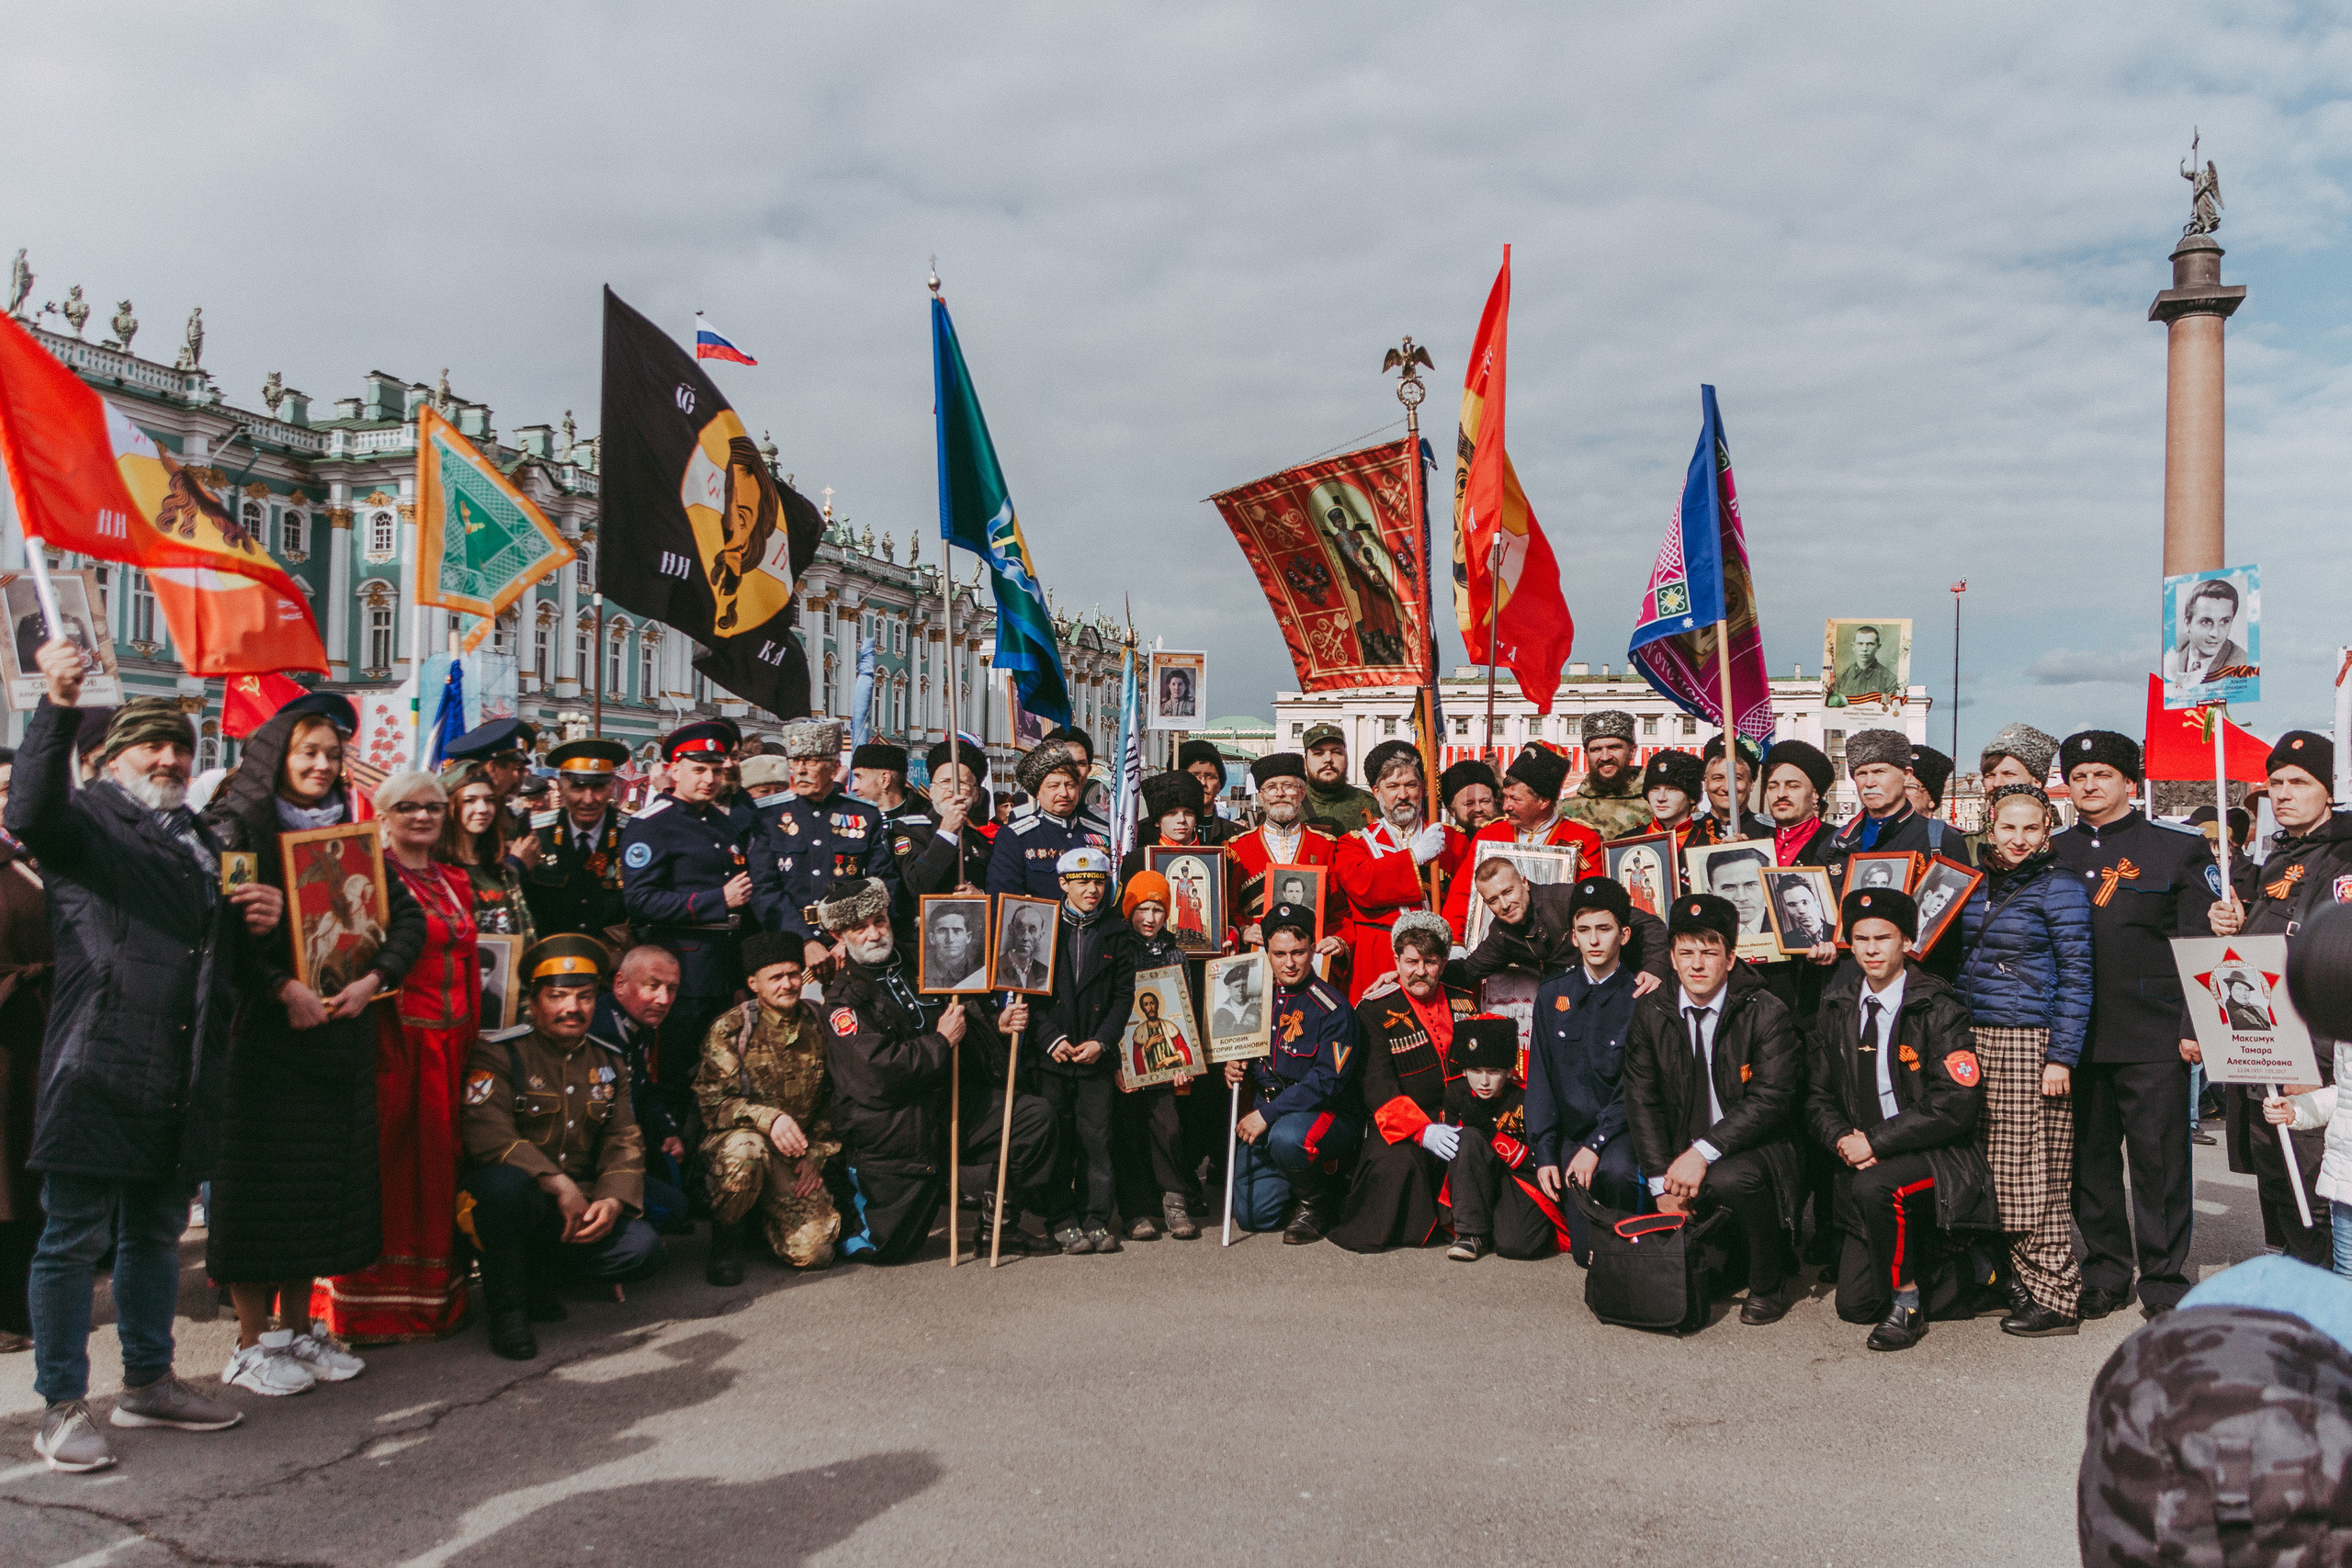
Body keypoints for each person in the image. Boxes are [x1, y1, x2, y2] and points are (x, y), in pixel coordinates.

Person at [13, 653, 283, 1473]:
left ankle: (149, 1381)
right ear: (109, 758)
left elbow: (213, 952)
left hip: (181, 1067)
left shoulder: (199, 835)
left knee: (157, 1235)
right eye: (150, 747)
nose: (169, 759)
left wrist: (259, 918)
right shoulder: (86, 820)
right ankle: (60, 1405)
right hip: (101, 1061)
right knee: (72, 1238)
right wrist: (59, 704)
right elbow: (31, 809)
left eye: (180, 748)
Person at [201, 694, 424, 1397]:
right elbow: (226, 935)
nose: (324, 765)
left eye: (332, 753)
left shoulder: (352, 835)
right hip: (268, 1041)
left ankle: (298, 1329)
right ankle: (249, 1341)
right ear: (278, 756)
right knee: (258, 1190)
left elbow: (406, 919)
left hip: (339, 1033)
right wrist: (278, 988)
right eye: (309, 752)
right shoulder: (240, 832)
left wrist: (374, 982)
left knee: (316, 1190)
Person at [2052, 728, 2215, 1318]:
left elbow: (2199, 944)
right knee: (2088, 1164)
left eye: (2102, 774)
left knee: (2160, 1164)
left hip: (2154, 1031)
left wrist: (2197, 1025)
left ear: (2130, 782)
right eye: (2078, 776)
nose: (2089, 785)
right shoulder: (2052, 852)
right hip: (2076, 1035)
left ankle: (2164, 1280)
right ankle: (2105, 1271)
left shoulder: (2178, 848)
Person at [315, 770, 479, 1346]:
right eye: (407, 807)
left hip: (451, 1045)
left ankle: (429, 1299)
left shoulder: (455, 878)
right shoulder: (368, 879)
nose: (423, 816)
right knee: (389, 1167)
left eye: (434, 807)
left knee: (437, 1167)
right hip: (395, 1044)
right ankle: (365, 1307)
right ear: (381, 816)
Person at [820, 878, 1058, 1260]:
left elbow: (966, 1012)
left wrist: (995, 1024)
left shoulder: (922, 961)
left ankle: (999, 1229)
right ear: (838, 934)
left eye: (879, 920)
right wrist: (941, 1041)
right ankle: (851, 1194)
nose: (874, 933)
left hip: (951, 1103)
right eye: (859, 928)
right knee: (888, 1250)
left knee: (1032, 1118)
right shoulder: (844, 1000)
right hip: (897, 1126)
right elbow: (877, 1073)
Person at [1807, 887, 1998, 1349]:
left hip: (1934, 1155)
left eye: (1884, 937)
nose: (1872, 949)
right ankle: (1975, 1271)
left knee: (1878, 1187)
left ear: (1907, 942)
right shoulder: (1836, 1006)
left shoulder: (1938, 1007)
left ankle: (1908, 1299)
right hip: (1863, 1155)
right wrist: (1843, 1142)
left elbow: (1955, 1103)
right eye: (1861, 938)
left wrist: (1876, 1142)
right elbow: (1815, 1095)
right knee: (1853, 1306)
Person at [459, 935, 662, 1360]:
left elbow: (623, 1138)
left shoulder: (609, 1060)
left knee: (640, 1248)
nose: (573, 1008)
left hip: (575, 1207)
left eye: (585, 997)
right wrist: (557, 1182)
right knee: (502, 1191)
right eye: (558, 996)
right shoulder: (500, 1053)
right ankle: (509, 1312)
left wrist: (611, 1199)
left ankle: (540, 1275)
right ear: (533, 1003)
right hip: (524, 1200)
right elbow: (487, 1134)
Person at [1621, 893, 1803, 1325]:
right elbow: (1642, 1098)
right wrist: (1660, 1183)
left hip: (1757, 1147)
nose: (1696, 965)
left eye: (1709, 952)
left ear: (1732, 957)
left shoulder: (1766, 1011)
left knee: (1731, 1177)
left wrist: (1701, 1152)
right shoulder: (1651, 1012)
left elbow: (1771, 1099)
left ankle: (1769, 1280)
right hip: (1686, 1150)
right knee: (1708, 1281)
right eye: (1685, 952)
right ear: (1671, 956)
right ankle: (1737, 1251)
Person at [1953, 784, 2093, 1337]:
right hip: (1974, 1034)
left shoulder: (2060, 886)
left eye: (2030, 828)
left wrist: (2060, 1056)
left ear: (2047, 831)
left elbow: (2079, 977)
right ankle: (2009, 1281)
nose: (2018, 839)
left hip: (2028, 1040)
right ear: (1990, 828)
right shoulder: (1973, 880)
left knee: (2032, 1171)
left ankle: (2057, 1296)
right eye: (2008, 828)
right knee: (1987, 1167)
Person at [2209, 730, 2349, 1269]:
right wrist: (2234, 924)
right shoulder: (2277, 858)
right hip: (2263, 1035)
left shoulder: (2343, 855)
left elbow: (2333, 960)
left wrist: (2315, 1058)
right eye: (2275, 784)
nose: (2283, 793)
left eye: (2299, 782)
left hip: (2312, 1048)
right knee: (2278, 1180)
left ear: (2330, 791)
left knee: (2312, 1183)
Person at [620, 719, 778, 1131]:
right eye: (698, 769)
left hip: (724, 969)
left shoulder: (722, 822)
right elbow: (639, 899)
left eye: (716, 769)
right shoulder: (652, 823)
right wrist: (716, 900)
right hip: (680, 973)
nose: (710, 779)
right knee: (675, 1075)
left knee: (722, 1075)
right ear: (674, 770)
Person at [695, 931, 839, 1284]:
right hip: (742, 1144)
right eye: (775, 977)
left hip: (794, 1156)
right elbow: (713, 1104)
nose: (788, 984)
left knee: (816, 1253)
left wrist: (815, 1155)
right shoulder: (732, 1029)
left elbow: (835, 1101)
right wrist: (766, 1117)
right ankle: (727, 1239)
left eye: (793, 974)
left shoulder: (819, 1024)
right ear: (753, 983)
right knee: (747, 1151)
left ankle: (766, 1219)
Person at [1329, 912, 1476, 1254]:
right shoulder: (1374, 1009)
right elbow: (1377, 1085)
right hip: (1402, 1121)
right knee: (1396, 1165)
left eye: (1430, 962)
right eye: (1411, 962)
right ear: (1396, 961)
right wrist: (1423, 1130)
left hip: (1460, 1116)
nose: (1420, 971)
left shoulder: (1462, 997)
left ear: (1443, 963)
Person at [1224, 904, 1363, 1243]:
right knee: (1254, 1216)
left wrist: (1266, 1116)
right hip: (1269, 1112)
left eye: (1298, 953)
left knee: (1287, 1137)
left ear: (1312, 950)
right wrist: (1232, 1066)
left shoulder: (1332, 1008)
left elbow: (1325, 1083)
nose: (1289, 963)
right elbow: (1247, 1054)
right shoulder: (1256, 999)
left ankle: (1317, 1203)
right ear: (1267, 953)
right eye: (1280, 953)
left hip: (1322, 1113)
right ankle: (1306, 1181)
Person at [1528, 877, 1650, 1261]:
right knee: (1585, 1255)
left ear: (1624, 935)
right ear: (1573, 937)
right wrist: (1544, 1151)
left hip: (1620, 1133)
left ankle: (1633, 1251)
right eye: (1584, 930)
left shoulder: (1640, 998)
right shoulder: (1552, 994)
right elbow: (1541, 1079)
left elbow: (1635, 1086)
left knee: (1615, 1176)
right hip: (1571, 1135)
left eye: (1604, 929)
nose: (1594, 940)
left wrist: (1595, 1147)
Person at [1030, 845, 1136, 1255]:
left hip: (1095, 1052)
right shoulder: (1040, 925)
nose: (1092, 890)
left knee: (1097, 1138)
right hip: (1053, 1054)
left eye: (1098, 881)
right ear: (1063, 884)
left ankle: (1095, 1217)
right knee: (1057, 1138)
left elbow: (1124, 995)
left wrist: (1103, 1041)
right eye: (1082, 882)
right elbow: (1027, 989)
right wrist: (1050, 1038)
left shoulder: (1116, 930)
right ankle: (1061, 1218)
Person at [1114, 870, 1212, 1241]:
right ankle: (1136, 1209)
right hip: (1125, 1059)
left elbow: (1180, 1009)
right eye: (1142, 909)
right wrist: (1116, 1065)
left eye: (1157, 909)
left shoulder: (1175, 952)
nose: (1149, 918)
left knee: (1169, 1128)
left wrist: (1185, 1062)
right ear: (1129, 910)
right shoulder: (1118, 946)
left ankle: (1175, 1203)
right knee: (1129, 1132)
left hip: (1166, 1062)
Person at [1333, 744, 1466, 1001]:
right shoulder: (1354, 843)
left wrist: (1456, 943)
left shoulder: (1451, 840)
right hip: (1376, 957)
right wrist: (1415, 856)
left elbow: (1465, 898)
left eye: (1411, 785)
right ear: (1376, 792)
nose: (1403, 794)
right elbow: (1364, 886)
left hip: (1434, 959)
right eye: (1393, 786)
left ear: (1423, 789)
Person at [758, 718, 891, 968]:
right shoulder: (768, 816)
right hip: (787, 944)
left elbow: (882, 882)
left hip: (850, 945)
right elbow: (763, 888)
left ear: (835, 767)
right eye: (796, 762)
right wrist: (806, 941)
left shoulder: (864, 815)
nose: (801, 770)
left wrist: (848, 937)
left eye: (812, 761)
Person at [1441, 1015, 1566, 1261]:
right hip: (1475, 1174)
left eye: (1494, 1071)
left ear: (1510, 1071)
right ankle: (1471, 1233)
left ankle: (1492, 1225)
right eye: (1475, 1071)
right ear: (1464, 1070)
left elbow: (1537, 1160)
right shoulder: (1456, 1093)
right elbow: (1453, 1158)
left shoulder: (1527, 1096)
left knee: (1518, 1246)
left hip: (1520, 1177)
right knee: (1465, 1138)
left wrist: (1491, 1133)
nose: (1484, 1081)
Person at [0, 747, 51, 1357]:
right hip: (7, 1043)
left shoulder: (40, 858)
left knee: (29, 1177)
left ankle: (26, 1303)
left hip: (43, 1041)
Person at [1442, 743, 1601, 933]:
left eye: (1515, 800)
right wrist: (1456, 942)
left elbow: (1590, 905)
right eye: (1505, 797)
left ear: (1543, 801)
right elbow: (1462, 896)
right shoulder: (1489, 835)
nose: (1506, 806)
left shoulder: (1583, 839)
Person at [1457, 858, 1671, 991]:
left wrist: (1654, 969)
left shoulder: (1567, 899)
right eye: (1493, 900)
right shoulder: (1501, 934)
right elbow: (1468, 971)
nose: (1504, 905)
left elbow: (1649, 924)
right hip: (1567, 1000)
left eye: (1507, 892)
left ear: (1524, 883)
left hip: (1625, 985)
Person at [594, 945, 690, 1233]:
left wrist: (667, 1130)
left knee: (678, 1204)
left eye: (672, 989)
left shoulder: (635, 1025)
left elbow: (642, 1088)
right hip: (595, 1158)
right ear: (620, 983)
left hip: (623, 1143)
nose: (664, 999)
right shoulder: (601, 1030)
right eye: (653, 986)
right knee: (672, 1211)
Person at [1224, 753, 1340, 951]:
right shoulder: (1237, 848)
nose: (1280, 794)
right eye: (1271, 788)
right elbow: (1229, 906)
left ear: (1302, 793)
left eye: (1288, 786)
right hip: (1258, 953)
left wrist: (1336, 939)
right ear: (1261, 796)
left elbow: (1339, 909)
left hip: (1311, 953)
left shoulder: (1325, 846)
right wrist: (1243, 929)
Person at [522, 739, 631, 943]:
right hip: (550, 958)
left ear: (612, 789)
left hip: (612, 960)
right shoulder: (535, 834)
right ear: (561, 790)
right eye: (578, 788)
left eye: (598, 788)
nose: (588, 799)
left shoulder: (632, 834)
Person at [987, 739, 1114, 900]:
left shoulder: (1101, 830)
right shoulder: (1016, 836)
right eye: (1053, 786)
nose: (1064, 793)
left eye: (1070, 785)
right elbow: (1004, 898)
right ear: (1037, 792)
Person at [441, 761, 537, 949]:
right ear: (451, 806)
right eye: (470, 800)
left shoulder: (502, 870)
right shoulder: (438, 870)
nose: (483, 809)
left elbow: (525, 933)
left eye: (489, 799)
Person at [896, 739, 997, 898]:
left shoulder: (980, 842)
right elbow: (916, 885)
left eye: (962, 783)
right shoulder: (909, 830)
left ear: (976, 794)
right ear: (931, 790)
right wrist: (947, 831)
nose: (952, 789)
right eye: (945, 782)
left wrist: (981, 895)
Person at [1561, 710, 1651, 841]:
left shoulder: (1658, 806)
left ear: (1632, 751)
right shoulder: (1563, 812)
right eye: (1596, 749)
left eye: (1614, 747)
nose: (1605, 757)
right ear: (1587, 754)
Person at [2163, 576, 2251, 689]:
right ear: (2188, 623)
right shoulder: (2174, 647)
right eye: (2206, 622)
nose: (2215, 633)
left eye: (2224, 621)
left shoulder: (2241, 666)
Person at [1685, 734, 1771, 847]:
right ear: (1706, 783)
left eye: (1736, 778)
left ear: (1751, 783)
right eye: (1718, 778)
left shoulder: (1769, 833)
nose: (1727, 788)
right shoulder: (1687, 831)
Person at [439, 716, 539, 811]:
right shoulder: (450, 818)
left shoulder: (512, 819)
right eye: (517, 769)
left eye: (522, 770)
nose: (520, 779)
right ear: (492, 769)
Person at [1299, 722, 1377, 837]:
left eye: (1336, 752)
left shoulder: (1370, 805)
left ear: (1346, 758)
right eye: (1318, 753)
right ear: (1305, 762)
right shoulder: (1293, 807)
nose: (1328, 759)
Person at [1701, 845, 1771, 943]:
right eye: (1728, 887)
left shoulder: (1788, 928)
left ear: (1768, 887)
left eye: (1750, 885)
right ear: (1711, 894)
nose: (1741, 897)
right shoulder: (1702, 933)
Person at [1176, 739, 1237, 846]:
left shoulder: (1236, 836)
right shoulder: (1152, 833)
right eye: (1195, 776)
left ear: (1219, 785)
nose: (1203, 783)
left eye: (1210, 777)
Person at [1640, 749, 1704, 848]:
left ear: (1691, 797)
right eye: (1655, 789)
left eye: (1672, 789)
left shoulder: (1710, 843)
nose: (1661, 798)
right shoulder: (1625, 842)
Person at [1826, 624, 1899, 707]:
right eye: (1860, 644)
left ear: (1878, 647)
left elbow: (1888, 710)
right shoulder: (1841, 677)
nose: (1864, 649)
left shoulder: (1889, 679)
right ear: (1853, 646)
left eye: (1870, 644)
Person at [925, 902, 989, 990]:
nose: (950, 939)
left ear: (968, 937)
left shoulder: (980, 974)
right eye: (942, 931)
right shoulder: (923, 973)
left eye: (957, 931)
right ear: (932, 938)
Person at [1437, 758, 1500, 835]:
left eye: (1485, 801)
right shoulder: (1446, 844)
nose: (1478, 809)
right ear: (1452, 811)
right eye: (1469, 804)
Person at [1771, 874, 1834, 949]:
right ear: (1787, 910)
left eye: (1805, 902)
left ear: (1817, 905)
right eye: (1792, 905)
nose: (1801, 911)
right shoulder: (1785, 941)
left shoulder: (1838, 933)